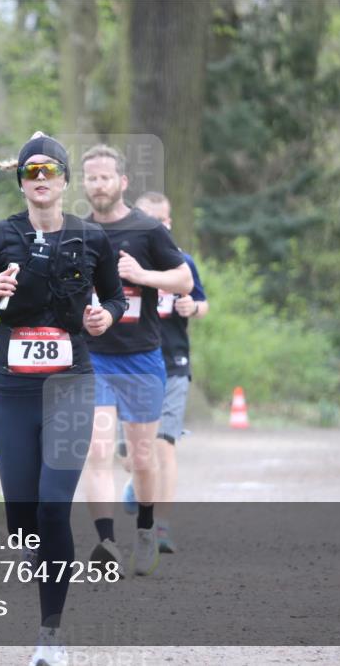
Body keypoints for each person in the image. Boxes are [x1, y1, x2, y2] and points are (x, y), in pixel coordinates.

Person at [0, 132, 127, 666]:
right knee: (23, 516)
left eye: (50, 171)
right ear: (22, 182)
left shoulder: (91, 238)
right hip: (12, 388)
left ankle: (50, 634)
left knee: (54, 507)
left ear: (65, 181)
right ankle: (41, 555)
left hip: (71, 382)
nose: (41, 179)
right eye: (32, 172)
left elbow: (115, 297)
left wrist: (105, 316)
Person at [79, 144, 193, 577]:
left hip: (142, 359)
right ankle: (106, 542)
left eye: (106, 177)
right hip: (95, 359)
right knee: (98, 451)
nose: (98, 185)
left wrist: (141, 276)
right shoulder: (77, 232)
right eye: (91, 178)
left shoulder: (147, 230)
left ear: (122, 181)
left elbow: (184, 279)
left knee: (142, 459)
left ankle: (145, 530)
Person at [134, 191, 208, 555]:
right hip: (133, 366)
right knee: (133, 453)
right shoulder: (124, 263)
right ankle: (139, 484)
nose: (154, 226)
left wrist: (191, 306)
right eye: (146, 219)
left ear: (169, 223)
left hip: (173, 364)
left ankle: (160, 525)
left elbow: (203, 303)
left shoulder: (182, 262)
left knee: (164, 445)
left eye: (160, 220)